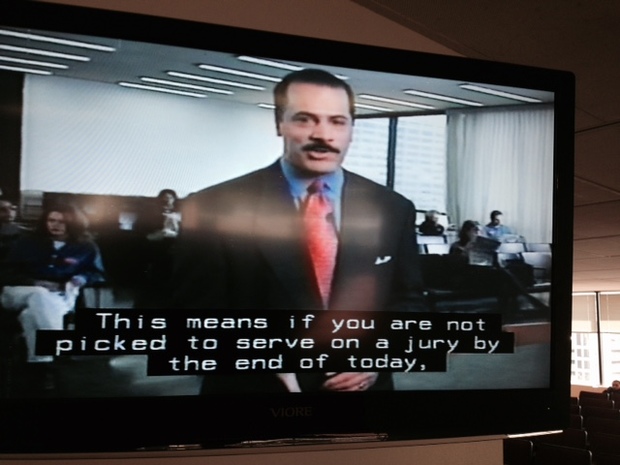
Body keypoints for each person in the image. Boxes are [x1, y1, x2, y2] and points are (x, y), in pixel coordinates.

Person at [171, 68, 427, 393]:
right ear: (279, 123)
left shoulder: (393, 207)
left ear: (351, 129)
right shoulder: (211, 206)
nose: (323, 135)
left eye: (337, 121)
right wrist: (262, 359)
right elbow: (193, 314)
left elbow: (409, 300)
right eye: (305, 119)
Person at [0, 203, 105, 365]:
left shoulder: (86, 247)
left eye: (62, 222)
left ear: (74, 223)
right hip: (17, 293)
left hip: (59, 295)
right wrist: (34, 282)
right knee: (39, 293)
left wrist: (81, 279)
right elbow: (5, 273)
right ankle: (58, 342)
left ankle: (41, 365)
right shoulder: (26, 242)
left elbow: (97, 274)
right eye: (51, 220)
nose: (55, 225)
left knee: (29, 316)